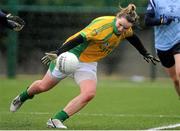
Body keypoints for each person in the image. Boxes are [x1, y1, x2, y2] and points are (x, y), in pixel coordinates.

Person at [10, 4, 159, 129]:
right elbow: (79, 38)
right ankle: (22, 97)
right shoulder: (102, 26)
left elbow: (132, 37)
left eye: (125, 28)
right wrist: (59, 52)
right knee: (43, 86)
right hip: (71, 55)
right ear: (117, 17)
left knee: (89, 93)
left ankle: (56, 120)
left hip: (88, 63)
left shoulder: (126, 29)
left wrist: (145, 53)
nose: (122, 30)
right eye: (120, 25)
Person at [144, 0, 180, 97]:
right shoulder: (155, 1)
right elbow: (147, 21)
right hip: (162, 45)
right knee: (175, 80)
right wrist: (161, 20)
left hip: (178, 40)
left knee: (179, 71)